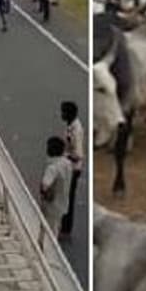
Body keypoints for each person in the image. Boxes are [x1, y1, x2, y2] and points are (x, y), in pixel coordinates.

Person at [58, 100, 85, 238]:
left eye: (63, 112)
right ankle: (63, 225)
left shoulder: (76, 130)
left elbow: (78, 155)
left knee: (68, 199)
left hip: (73, 169)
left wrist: (64, 156)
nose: (61, 114)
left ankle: (66, 229)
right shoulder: (70, 126)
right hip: (68, 168)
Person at [39, 136, 70, 241]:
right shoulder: (67, 163)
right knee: (56, 226)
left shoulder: (52, 168)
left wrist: (43, 192)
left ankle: (45, 250)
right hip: (62, 202)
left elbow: (45, 185)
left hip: (51, 205)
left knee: (49, 229)